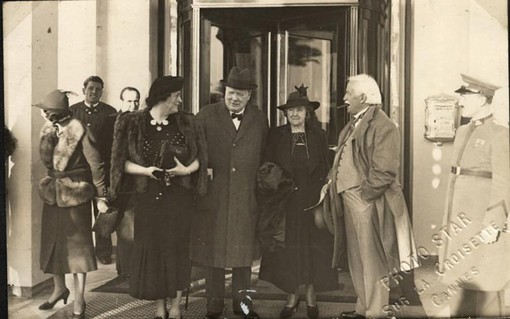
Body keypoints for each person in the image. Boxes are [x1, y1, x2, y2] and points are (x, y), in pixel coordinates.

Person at [109, 76, 207, 319]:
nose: (180, 100)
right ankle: (160, 308)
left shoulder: (187, 122)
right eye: (177, 96)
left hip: (179, 199)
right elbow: (120, 163)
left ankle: (175, 308)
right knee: (154, 254)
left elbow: (201, 159)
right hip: (148, 199)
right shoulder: (131, 122)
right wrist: (146, 171)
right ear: (164, 97)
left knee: (177, 251)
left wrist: (186, 170)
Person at [332, 74, 418, 318]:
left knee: (372, 261)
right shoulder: (354, 123)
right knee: (357, 259)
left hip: (366, 201)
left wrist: (365, 195)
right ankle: (364, 308)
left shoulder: (383, 124)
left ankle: (376, 312)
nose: (344, 98)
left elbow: (385, 170)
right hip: (351, 201)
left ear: (363, 97)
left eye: (348, 93)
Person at [190, 67, 269, 319]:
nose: (235, 98)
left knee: (243, 255)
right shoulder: (205, 115)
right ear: (225, 92)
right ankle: (214, 303)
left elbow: (264, 153)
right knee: (214, 252)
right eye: (231, 92)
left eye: (241, 94)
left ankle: (242, 304)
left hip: (246, 196)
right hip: (215, 195)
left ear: (249, 97)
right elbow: (195, 152)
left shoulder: (259, 118)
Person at [258, 85, 338, 319]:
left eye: (300, 110)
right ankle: (291, 296)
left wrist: (324, 191)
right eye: (291, 111)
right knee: (289, 252)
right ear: (285, 114)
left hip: (312, 204)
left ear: (307, 113)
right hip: (285, 203)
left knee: (313, 251)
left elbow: (326, 167)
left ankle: (311, 295)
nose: (295, 114)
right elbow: (267, 167)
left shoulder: (319, 136)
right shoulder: (276, 136)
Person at [438, 74, 510, 317]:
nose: (460, 101)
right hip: (459, 221)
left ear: (482, 98)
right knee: (459, 279)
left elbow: (503, 181)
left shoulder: (500, 134)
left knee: (486, 282)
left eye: (465, 96)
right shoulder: (461, 131)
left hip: (481, 223)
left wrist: (493, 223)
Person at [35, 90, 109, 319]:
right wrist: (49, 132)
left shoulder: (80, 130)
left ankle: (79, 297)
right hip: (53, 194)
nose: (41, 114)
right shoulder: (48, 129)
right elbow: (49, 161)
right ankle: (59, 289)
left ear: (52, 113)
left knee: (79, 250)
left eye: (44, 111)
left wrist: (101, 197)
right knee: (53, 244)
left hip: (75, 194)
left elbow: (97, 164)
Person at [70, 75, 117, 265]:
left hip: (101, 168)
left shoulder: (110, 112)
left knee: (102, 209)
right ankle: (84, 252)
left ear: (102, 92)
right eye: (90, 88)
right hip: (80, 169)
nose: (94, 92)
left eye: (98, 89)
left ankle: (104, 252)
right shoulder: (73, 111)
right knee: (80, 212)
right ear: (83, 90)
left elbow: (114, 141)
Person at [98, 86, 141, 276]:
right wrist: (107, 185)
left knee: (131, 226)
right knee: (120, 227)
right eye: (129, 101)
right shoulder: (109, 123)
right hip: (116, 183)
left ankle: (130, 270)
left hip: (137, 183)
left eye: (136, 101)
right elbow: (104, 155)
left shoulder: (144, 122)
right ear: (122, 102)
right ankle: (124, 270)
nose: (133, 105)